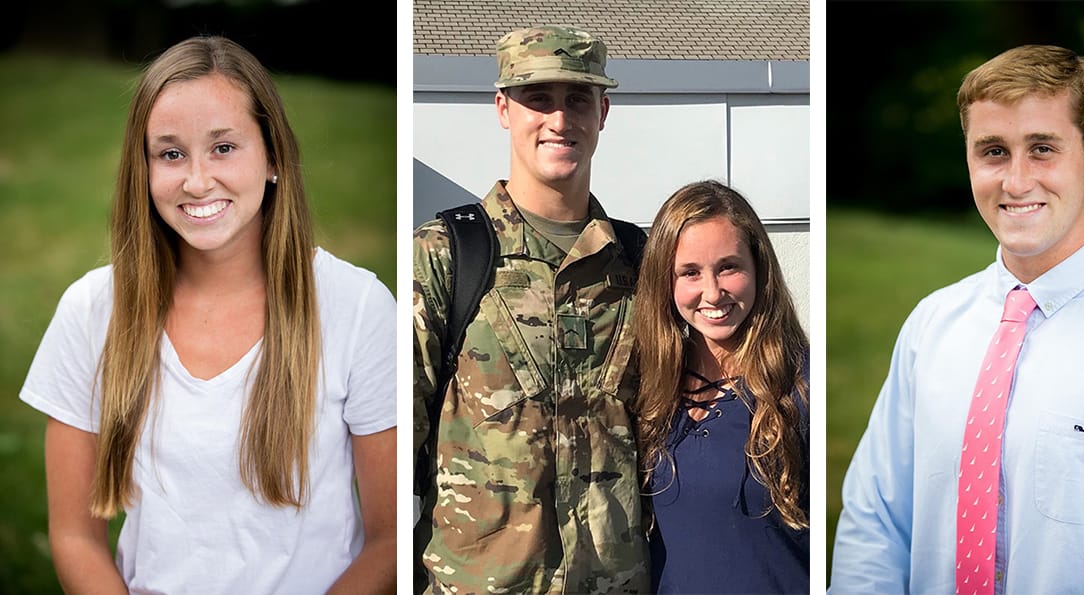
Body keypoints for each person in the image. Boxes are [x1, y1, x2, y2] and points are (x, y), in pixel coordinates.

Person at [830, 45, 1084, 593]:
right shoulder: (930, 326)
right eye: (993, 151)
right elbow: (874, 526)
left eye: (1042, 148)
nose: (1015, 181)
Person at [20, 36, 396, 594]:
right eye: (171, 154)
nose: (197, 181)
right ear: (143, 170)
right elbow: (75, 535)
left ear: (272, 157)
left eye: (224, 147)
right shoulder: (91, 310)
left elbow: (389, 541)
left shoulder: (357, 306)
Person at [412, 25, 648, 594]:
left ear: (603, 112)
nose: (559, 120)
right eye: (537, 99)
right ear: (502, 108)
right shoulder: (449, 253)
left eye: (577, 100)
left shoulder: (641, 260)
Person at [633, 181, 810, 594]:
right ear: (666, 281)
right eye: (690, 273)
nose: (712, 292)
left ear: (758, 269)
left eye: (729, 266)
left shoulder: (800, 386)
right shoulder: (650, 388)